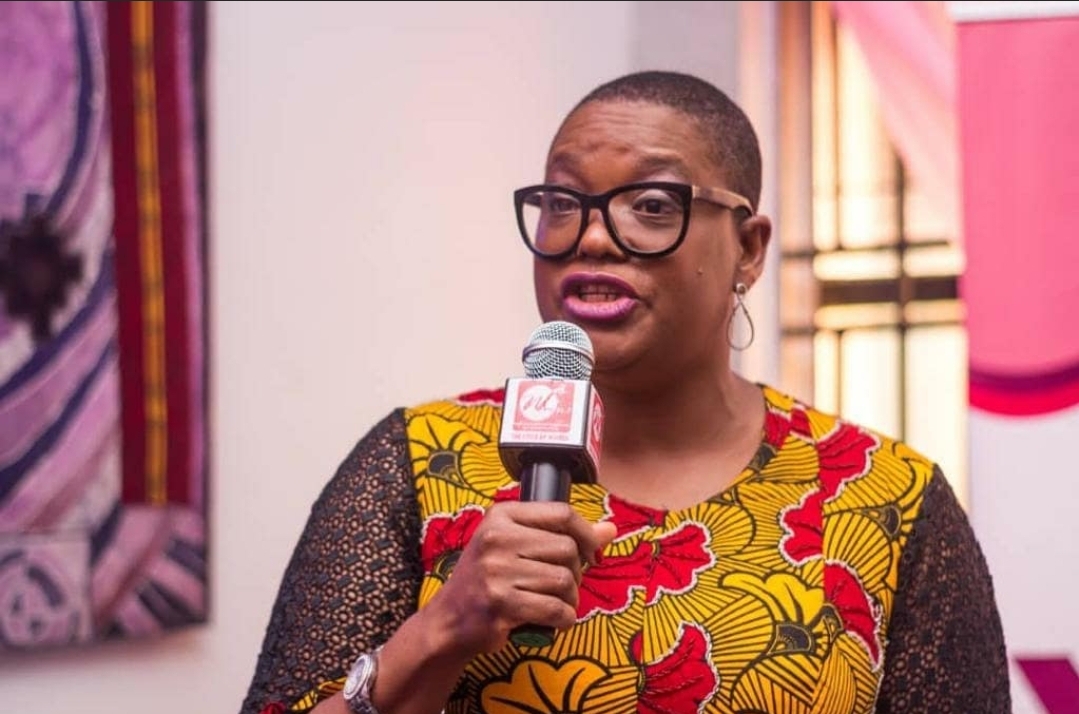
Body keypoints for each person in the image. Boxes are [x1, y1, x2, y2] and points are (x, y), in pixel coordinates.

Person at [240, 70, 1010, 714]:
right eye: (562, 203)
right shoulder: (417, 463)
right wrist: (441, 631)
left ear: (747, 248)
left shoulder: (884, 496)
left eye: (650, 207)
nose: (591, 237)